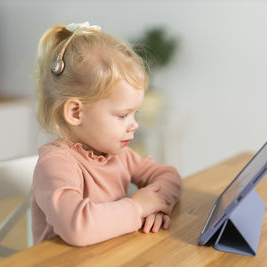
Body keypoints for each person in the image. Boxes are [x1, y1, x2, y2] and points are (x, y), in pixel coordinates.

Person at [31, 22, 182, 247]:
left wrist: (157, 206)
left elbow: (169, 176)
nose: (134, 125)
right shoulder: (56, 164)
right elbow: (77, 227)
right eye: (123, 115)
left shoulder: (118, 154)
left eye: (135, 113)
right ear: (75, 112)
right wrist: (138, 207)